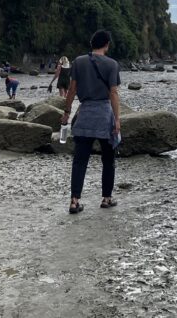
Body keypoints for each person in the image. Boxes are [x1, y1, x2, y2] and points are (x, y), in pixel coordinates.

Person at [62, 30, 121, 214]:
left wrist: (67, 112)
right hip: (104, 114)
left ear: (92, 43)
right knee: (108, 159)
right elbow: (113, 92)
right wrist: (117, 119)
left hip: (85, 113)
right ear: (107, 44)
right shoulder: (112, 64)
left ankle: (74, 201)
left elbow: (72, 89)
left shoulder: (79, 62)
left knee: (80, 161)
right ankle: (106, 198)